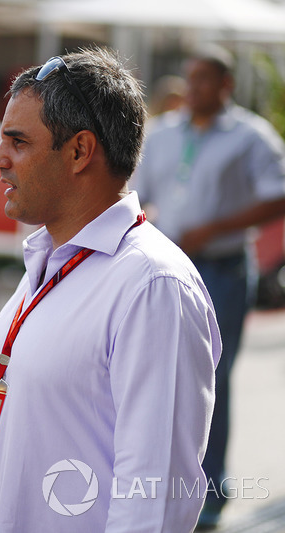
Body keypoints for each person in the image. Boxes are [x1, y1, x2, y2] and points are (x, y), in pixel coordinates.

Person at [0, 48, 221, 532]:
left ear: (79, 151)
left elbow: (152, 503)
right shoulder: (47, 259)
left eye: (18, 142)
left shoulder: (153, 286)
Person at [132, 45, 285, 529]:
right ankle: (157, 485)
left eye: (204, 79)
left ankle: (211, 490)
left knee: (208, 380)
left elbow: (278, 195)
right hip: (163, 269)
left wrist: (215, 226)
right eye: (188, 77)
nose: (192, 87)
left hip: (220, 269)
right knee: (157, 377)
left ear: (226, 86)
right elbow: (136, 194)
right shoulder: (161, 135)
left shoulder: (250, 137)